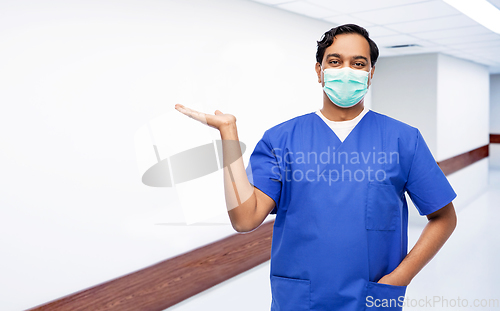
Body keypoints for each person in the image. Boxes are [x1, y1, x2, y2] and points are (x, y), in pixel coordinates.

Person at [175, 24, 457, 311]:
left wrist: (399, 278)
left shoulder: (403, 139)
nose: (346, 70)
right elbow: (245, 220)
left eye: (358, 63)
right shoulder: (281, 139)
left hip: (372, 297)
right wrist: (229, 135)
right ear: (319, 71)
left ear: (371, 74)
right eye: (334, 61)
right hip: (299, 299)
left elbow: (444, 217)